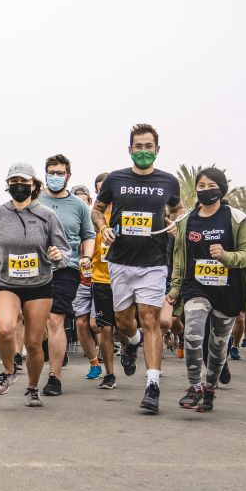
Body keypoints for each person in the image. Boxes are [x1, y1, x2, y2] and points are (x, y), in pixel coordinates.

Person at [91, 123, 184, 413]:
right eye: (138, 147)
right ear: (130, 149)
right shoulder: (116, 179)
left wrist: (174, 223)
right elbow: (96, 210)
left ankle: (152, 385)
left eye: (149, 147)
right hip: (120, 262)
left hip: (153, 263)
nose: (143, 152)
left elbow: (178, 209)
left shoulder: (168, 181)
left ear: (157, 149)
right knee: (124, 323)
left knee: (150, 320)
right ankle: (131, 344)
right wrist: (103, 227)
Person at [165, 167, 246, 412]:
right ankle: (194, 386)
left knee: (217, 349)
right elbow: (179, 259)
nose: (206, 190)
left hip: (228, 291)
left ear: (222, 188)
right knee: (193, 333)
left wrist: (226, 256)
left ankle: (209, 389)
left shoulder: (237, 218)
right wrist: (175, 289)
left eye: (211, 185)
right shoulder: (186, 221)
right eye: (201, 186)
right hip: (196, 287)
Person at [0, 162, 70, 408]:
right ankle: (9, 371)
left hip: (39, 284)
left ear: (33, 185)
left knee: (33, 342)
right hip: (7, 282)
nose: (19, 186)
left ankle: (32, 388)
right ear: (8, 185)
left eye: (24, 182)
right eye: (14, 182)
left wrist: (57, 256)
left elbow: (64, 250)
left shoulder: (47, 215)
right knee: (5, 329)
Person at [38, 154, 96, 397]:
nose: (55, 177)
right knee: (36, 323)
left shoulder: (79, 206)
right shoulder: (35, 201)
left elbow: (88, 235)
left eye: (60, 173)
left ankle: (54, 377)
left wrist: (86, 257)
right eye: (51, 172)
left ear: (68, 175)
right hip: (34, 269)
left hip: (66, 268)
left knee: (55, 320)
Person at [68, 185, 102, 380]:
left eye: (84, 199)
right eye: (76, 199)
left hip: (100, 281)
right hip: (80, 281)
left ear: (90, 202)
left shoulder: (100, 226)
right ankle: (94, 364)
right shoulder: (71, 227)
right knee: (81, 324)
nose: (80, 203)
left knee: (96, 324)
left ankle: (125, 345)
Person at [88, 172, 118, 389]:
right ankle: (110, 374)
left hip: (126, 278)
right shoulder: (93, 218)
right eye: (100, 188)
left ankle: (132, 343)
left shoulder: (124, 214)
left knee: (127, 326)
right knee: (105, 328)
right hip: (101, 279)